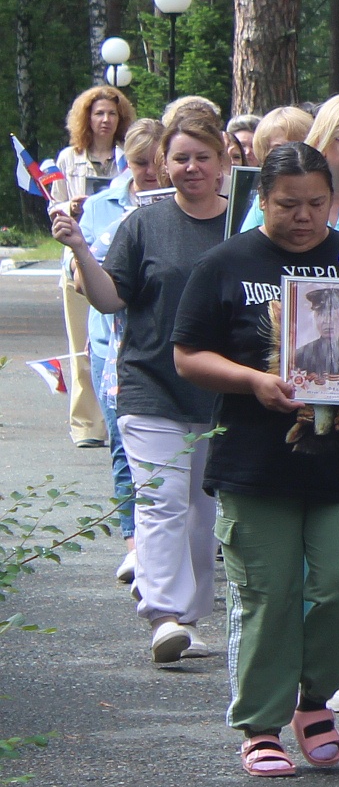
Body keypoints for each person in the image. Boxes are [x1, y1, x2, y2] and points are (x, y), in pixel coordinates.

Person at [172, 144, 339, 777]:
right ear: (260, 201)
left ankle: (314, 695)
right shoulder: (226, 263)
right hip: (255, 461)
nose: (303, 217)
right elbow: (188, 355)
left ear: (334, 199)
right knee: (268, 593)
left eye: (316, 204)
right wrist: (252, 381)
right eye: (287, 205)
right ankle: (261, 724)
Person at [59, 118, 236, 663]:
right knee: (160, 503)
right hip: (150, 385)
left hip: (221, 390)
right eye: (180, 158)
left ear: (223, 161)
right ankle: (163, 615)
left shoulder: (245, 224)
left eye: (202, 157)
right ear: (163, 164)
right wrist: (80, 248)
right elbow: (111, 300)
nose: (191, 169)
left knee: (201, 510)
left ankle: (189, 616)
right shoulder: (143, 225)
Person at [72, 120, 164, 565]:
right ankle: (133, 544)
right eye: (138, 163)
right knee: (124, 450)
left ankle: (162, 546)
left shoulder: (178, 208)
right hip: (113, 347)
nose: (148, 172)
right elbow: (76, 276)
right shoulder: (100, 206)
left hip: (162, 343)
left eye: (154, 162)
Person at [55, 85, 137, 448]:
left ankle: (115, 415)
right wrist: (68, 208)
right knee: (81, 344)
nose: (105, 120)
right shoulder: (68, 159)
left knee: (111, 342)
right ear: (86, 117)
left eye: (112, 114)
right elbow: (52, 206)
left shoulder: (127, 156)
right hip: (79, 254)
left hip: (118, 256)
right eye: (98, 113)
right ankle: (87, 424)